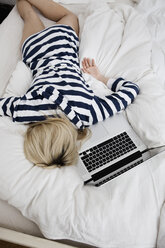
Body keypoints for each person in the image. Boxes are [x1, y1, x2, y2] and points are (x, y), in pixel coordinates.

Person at [0, 0, 140, 168]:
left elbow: (131, 90)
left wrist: (102, 78)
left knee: (68, 16)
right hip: (35, 50)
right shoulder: (25, 111)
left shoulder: (89, 113)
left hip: (62, 44)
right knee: (29, 15)